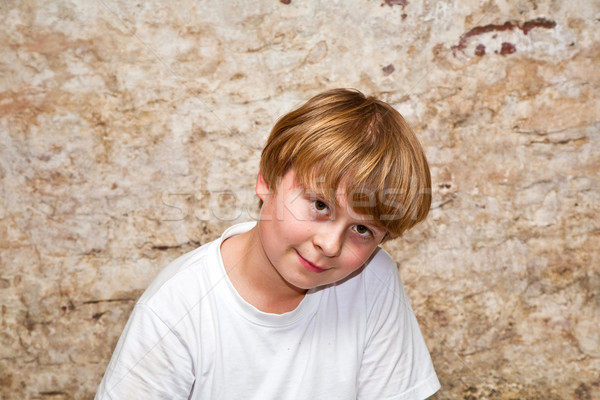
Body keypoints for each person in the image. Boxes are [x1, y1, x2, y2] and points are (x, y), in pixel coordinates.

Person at [95, 88, 440, 399]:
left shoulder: (373, 281)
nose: (330, 245)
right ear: (267, 179)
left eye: (363, 230)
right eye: (320, 206)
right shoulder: (176, 307)